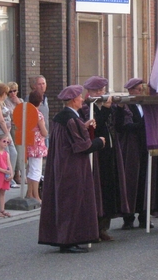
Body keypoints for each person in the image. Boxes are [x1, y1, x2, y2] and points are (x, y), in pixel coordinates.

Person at [38, 85, 106, 254]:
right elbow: (81, 146)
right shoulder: (70, 119)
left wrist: (84, 125)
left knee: (66, 201)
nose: (82, 100)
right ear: (74, 100)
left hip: (62, 166)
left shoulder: (62, 118)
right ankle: (68, 240)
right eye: (80, 97)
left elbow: (69, 138)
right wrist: (99, 142)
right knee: (72, 202)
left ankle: (65, 238)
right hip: (72, 167)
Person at [80, 76, 122, 242]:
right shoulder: (86, 107)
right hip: (97, 153)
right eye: (97, 91)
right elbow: (94, 128)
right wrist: (104, 109)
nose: (100, 93)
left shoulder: (107, 105)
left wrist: (115, 108)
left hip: (109, 150)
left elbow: (115, 124)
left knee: (109, 189)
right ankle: (94, 227)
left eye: (102, 90)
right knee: (98, 189)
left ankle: (104, 226)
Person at [114, 78, 151, 230]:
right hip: (131, 148)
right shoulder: (125, 106)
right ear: (130, 91)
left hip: (145, 146)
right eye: (137, 89)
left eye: (141, 88)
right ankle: (128, 217)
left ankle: (144, 216)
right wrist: (143, 124)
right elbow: (123, 126)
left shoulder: (145, 104)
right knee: (130, 180)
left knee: (145, 180)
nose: (140, 91)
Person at [25, 90, 48, 204]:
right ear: (40, 101)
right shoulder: (38, 114)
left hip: (29, 142)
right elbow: (43, 132)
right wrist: (46, 131)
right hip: (37, 144)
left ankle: (29, 193)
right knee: (36, 170)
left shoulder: (26, 112)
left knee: (31, 169)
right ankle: (36, 196)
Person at [4, 81, 23, 183]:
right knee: (15, 150)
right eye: (10, 92)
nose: (12, 94)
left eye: (14, 91)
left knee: (21, 151)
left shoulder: (20, 100)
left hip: (20, 127)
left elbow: (25, 112)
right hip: (12, 127)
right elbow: (9, 115)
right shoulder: (6, 102)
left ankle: (19, 172)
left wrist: (18, 103)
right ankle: (16, 173)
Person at [29, 75, 49, 146]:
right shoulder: (30, 99)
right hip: (36, 137)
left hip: (45, 133)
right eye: (39, 84)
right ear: (35, 86)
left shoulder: (45, 98)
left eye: (43, 84)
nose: (42, 86)